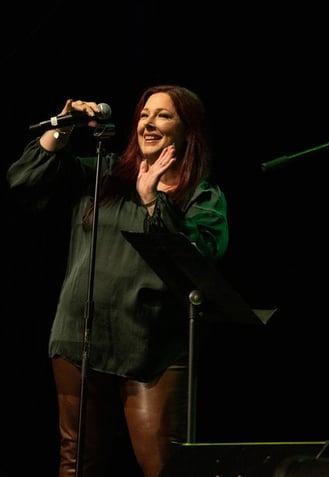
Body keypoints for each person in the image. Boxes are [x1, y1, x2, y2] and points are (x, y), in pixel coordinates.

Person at [6, 85, 228, 477]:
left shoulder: (201, 195)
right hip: (81, 335)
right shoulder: (104, 174)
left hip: (150, 346)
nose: (149, 123)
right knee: (77, 462)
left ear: (187, 129)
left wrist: (151, 201)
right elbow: (24, 180)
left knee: (163, 465)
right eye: (144, 114)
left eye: (163, 115)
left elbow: (199, 259)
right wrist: (64, 128)